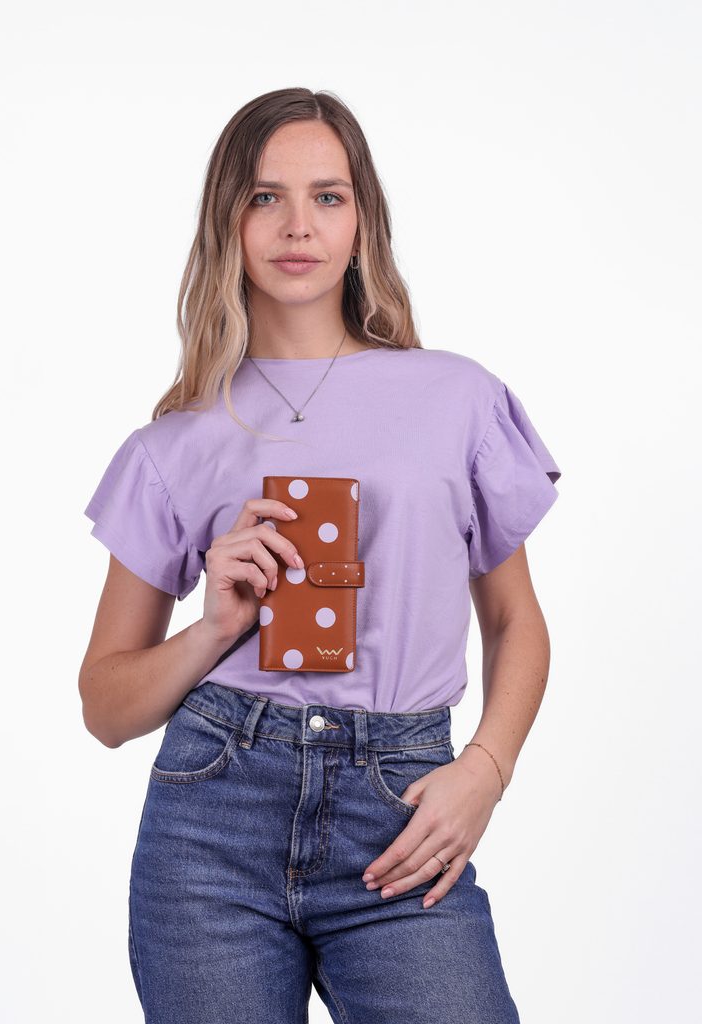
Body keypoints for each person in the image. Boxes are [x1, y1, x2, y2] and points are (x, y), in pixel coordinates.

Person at [79, 87, 561, 1024]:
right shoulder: (173, 443)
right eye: (265, 197)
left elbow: (515, 619)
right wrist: (212, 629)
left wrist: (487, 770)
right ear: (227, 221)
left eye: (328, 196)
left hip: (402, 802)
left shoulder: (457, 398)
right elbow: (105, 706)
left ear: (362, 221)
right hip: (212, 825)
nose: (297, 225)